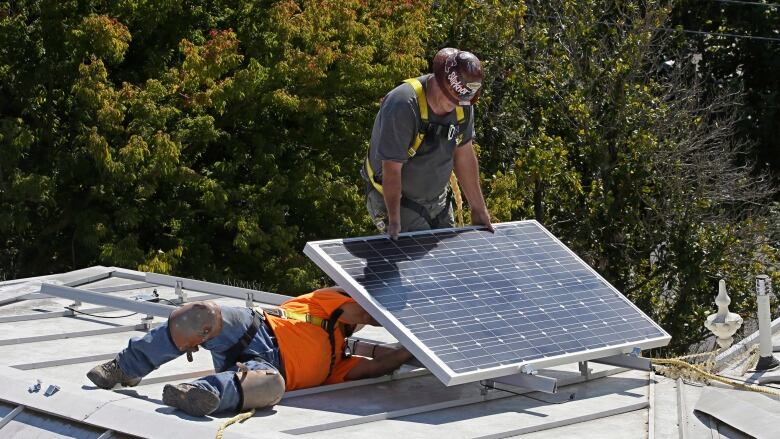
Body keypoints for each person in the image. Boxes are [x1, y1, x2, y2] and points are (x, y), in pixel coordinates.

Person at [86, 287, 412, 417]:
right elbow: (369, 309)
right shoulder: (331, 304)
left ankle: (196, 393)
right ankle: (124, 367)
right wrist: (408, 313)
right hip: (255, 328)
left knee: (272, 388)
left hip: (263, 368)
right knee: (199, 315)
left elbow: (379, 365)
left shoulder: (338, 363)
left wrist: (414, 347)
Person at [362, 47, 494, 240]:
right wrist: (395, 221)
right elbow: (391, 168)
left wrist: (478, 208)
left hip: (437, 201)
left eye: (460, 101)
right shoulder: (403, 104)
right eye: (451, 99)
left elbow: (464, 154)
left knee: (447, 263)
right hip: (398, 200)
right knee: (417, 262)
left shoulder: (463, 104)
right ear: (438, 82)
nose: (455, 105)